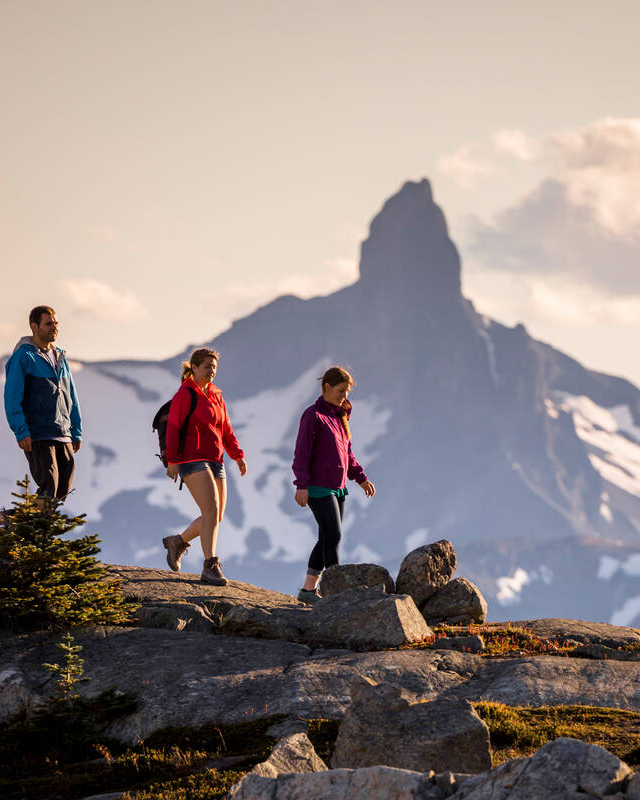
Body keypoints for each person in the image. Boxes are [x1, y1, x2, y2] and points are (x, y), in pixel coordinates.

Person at [162, 348, 247, 585]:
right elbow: (174, 428)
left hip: (215, 459)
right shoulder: (185, 394)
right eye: (208, 366)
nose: (212, 371)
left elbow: (226, 429)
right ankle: (210, 566)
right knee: (211, 510)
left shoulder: (216, 395)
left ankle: (177, 542)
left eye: (215, 367)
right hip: (191, 459)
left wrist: (238, 456)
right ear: (195, 368)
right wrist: (173, 460)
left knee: (216, 516)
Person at [292, 366, 375, 604]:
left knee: (326, 537)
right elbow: (302, 453)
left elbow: (347, 454)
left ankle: (308, 591)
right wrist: (301, 485)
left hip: (338, 488)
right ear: (326, 387)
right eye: (341, 391)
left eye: (347, 393)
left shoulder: (340, 417)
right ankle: (335, 594)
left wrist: (361, 478)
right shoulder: (313, 415)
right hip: (318, 487)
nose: (344, 397)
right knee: (334, 535)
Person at [4, 306, 82, 504]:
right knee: (49, 486)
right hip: (38, 433)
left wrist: (76, 430)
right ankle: (21, 526)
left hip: (63, 432)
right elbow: (12, 396)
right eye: (49, 323)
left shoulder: (60, 358)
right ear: (34, 326)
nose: (54, 327)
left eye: (55, 323)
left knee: (62, 489)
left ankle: (28, 523)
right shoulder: (24, 357)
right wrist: (21, 431)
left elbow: (71, 396)